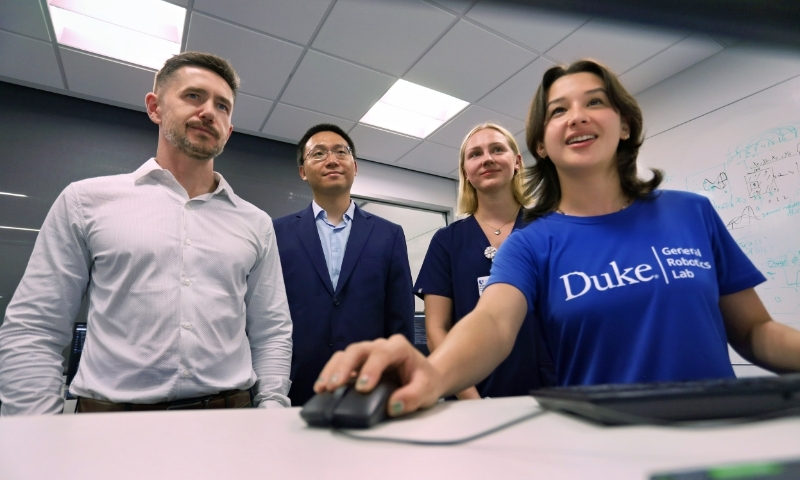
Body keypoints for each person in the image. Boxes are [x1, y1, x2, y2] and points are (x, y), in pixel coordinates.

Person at [312, 59, 800, 417]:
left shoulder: (691, 212)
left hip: (722, 429)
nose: (577, 115)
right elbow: (494, 325)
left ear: (625, 123)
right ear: (542, 142)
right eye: (558, 110)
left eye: (595, 102)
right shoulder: (531, 242)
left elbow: (756, 331)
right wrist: (434, 374)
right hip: (600, 441)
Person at [0, 52, 293, 415]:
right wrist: (36, 434)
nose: (208, 111)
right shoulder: (86, 200)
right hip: (108, 427)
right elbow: (35, 328)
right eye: (193, 96)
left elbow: (272, 331)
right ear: (155, 108)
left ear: (228, 130)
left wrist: (272, 408)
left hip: (230, 422)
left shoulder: (255, 223)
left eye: (223, 106)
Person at [273, 123, 414, 406]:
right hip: (296, 384)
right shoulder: (276, 233)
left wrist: (397, 379)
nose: (332, 160)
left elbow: (400, 317)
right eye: (319, 153)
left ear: (355, 166)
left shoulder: (389, 234)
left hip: (369, 383)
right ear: (303, 171)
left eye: (341, 151)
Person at [415, 123, 554, 400]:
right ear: (466, 172)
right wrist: (470, 398)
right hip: (474, 392)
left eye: (497, 149)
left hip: (553, 387)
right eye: (475, 154)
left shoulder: (550, 229)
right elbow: (436, 330)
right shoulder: (447, 241)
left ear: (516, 162)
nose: (487, 158)